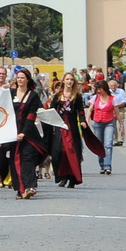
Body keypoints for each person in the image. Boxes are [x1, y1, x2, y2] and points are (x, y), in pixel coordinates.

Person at [10, 69, 48, 199]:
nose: (20, 80)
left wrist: (23, 133)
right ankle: (19, 189)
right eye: (18, 77)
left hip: (28, 133)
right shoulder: (10, 93)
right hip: (13, 132)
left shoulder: (33, 96)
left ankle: (30, 186)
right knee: (15, 160)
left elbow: (31, 116)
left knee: (28, 159)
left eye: (22, 77)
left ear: (27, 80)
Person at [48, 73, 88, 189]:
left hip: (72, 128)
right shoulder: (58, 96)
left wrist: (82, 121)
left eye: (71, 79)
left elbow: (80, 111)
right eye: (67, 79)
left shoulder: (77, 96)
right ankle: (63, 176)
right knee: (58, 152)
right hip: (60, 127)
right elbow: (51, 110)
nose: (69, 81)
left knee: (71, 152)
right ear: (64, 81)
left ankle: (72, 178)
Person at [88, 79, 118, 175]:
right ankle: (102, 165)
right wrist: (87, 121)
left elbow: (117, 112)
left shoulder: (112, 98)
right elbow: (90, 110)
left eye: (100, 89)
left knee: (108, 144)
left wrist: (121, 125)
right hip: (97, 123)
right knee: (99, 144)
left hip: (109, 122)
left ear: (105, 88)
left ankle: (107, 166)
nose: (99, 91)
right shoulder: (95, 97)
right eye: (97, 89)